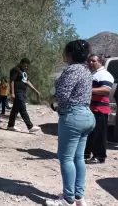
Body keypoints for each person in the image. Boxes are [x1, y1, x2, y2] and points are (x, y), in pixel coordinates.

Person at [46, 40, 94, 206]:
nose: (64, 55)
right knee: (78, 158)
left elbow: (62, 94)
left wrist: (54, 100)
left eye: (65, 52)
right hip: (87, 115)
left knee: (66, 158)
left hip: (74, 116)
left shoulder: (72, 69)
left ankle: (68, 199)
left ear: (71, 54)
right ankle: (79, 197)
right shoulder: (86, 70)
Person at [84, 54, 114, 164]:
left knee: (99, 134)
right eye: (89, 61)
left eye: (93, 61)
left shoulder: (104, 74)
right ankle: (87, 154)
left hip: (100, 109)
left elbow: (106, 89)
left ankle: (100, 156)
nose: (90, 63)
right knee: (91, 133)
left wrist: (87, 90)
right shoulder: (94, 74)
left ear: (100, 61)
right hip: (91, 108)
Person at [7, 58, 41, 133]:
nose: (26, 67)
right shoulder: (15, 70)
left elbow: (27, 81)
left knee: (15, 110)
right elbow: (12, 81)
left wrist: (35, 90)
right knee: (22, 108)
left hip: (22, 92)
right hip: (17, 92)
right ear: (21, 63)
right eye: (25, 66)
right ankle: (30, 126)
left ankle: (10, 125)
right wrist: (12, 93)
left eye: (27, 66)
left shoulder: (23, 72)